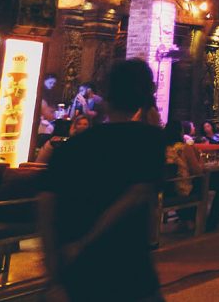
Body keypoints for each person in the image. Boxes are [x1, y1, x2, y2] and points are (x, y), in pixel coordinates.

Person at [40, 58, 166, 302]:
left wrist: (54, 277)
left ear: (105, 97)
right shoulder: (148, 141)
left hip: (74, 272)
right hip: (128, 271)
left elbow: (46, 207)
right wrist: (86, 241)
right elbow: (137, 195)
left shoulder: (70, 147)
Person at [164, 118, 203, 232]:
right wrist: (199, 157)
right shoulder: (184, 147)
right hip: (181, 190)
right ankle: (193, 220)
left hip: (165, 190)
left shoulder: (163, 148)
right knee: (200, 181)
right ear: (180, 132)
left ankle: (184, 219)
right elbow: (198, 171)